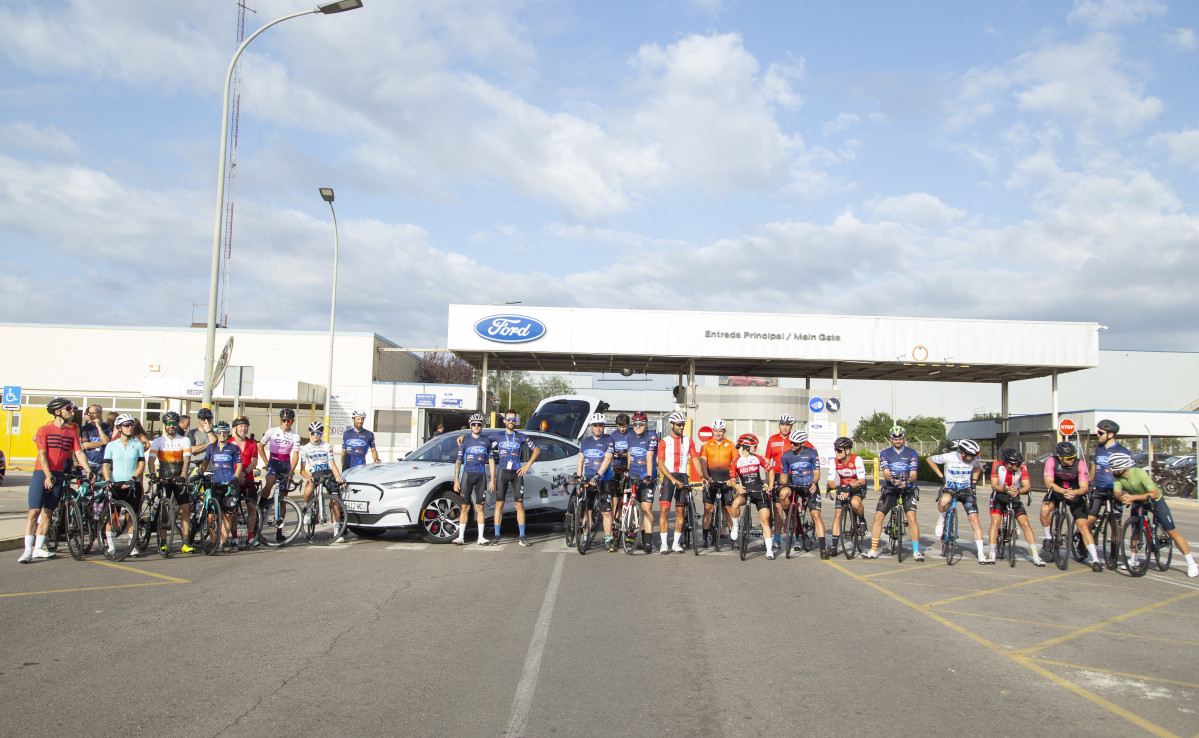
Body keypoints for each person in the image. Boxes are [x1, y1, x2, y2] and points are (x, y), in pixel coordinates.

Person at [19, 398, 91, 563]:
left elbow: (79, 453)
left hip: (58, 475)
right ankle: (27, 551)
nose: (71, 412)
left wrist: (88, 470)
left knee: (48, 512)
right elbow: (42, 454)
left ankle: (38, 548)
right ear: (57, 411)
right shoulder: (44, 429)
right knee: (34, 512)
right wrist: (47, 475)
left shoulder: (71, 432)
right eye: (68, 409)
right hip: (41, 474)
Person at [1109, 452, 1198, 577]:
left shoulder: (1139, 473)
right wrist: (1122, 497)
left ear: (1122, 467)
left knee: (1172, 532)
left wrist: (1133, 497)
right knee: (1136, 530)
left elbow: (1154, 493)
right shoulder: (1118, 477)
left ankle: (1191, 563)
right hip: (1138, 500)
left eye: (1114, 469)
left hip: (1154, 500)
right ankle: (1133, 558)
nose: (1112, 471)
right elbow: (1117, 492)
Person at [1040, 441, 1102, 572]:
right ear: (1060, 456)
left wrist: (1075, 492)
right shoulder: (1051, 461)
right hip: (1057, 491)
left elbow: (1084, 487)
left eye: (1073, 457)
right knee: (1045, 509)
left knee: (1083, 526)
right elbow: (1048, 483)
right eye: (1069, 458)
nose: (1072, 460)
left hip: (1075, 492)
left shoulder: (1080, 464)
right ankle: (1048, 538)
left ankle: (1095, 559)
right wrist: (1063, 492)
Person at [865, 425, 923, 560]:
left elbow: (914, 474)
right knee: (878, 516)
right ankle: (873, 550)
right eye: (895, 438)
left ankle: (916, 551)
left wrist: (907, 481)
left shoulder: (912, 453)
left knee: (912, 518)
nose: (898, 441)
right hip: (891, 488)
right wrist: (892, 479)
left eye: (900, 438)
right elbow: (885, 473)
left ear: (904, 438)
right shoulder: (885, 453)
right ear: (891, 439)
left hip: (907, 488)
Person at [930, 439, 987, 564]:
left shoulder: (973, 460)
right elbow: (930, 460)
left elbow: (977, 468)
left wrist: (973, 483)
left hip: (966, 489)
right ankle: (941, 518)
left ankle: (981, 553)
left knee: (974, 520)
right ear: (963, 453)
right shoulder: (949, 457)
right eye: (971, 457)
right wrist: (941, 477)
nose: (973, 459)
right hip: (951, 488)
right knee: (944, 502)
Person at [146, 410, 195, 553]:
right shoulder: (158, 441)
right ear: (165, 425)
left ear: (177, 424)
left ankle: (185, 543)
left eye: (174, 424)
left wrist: (183, 474)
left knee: (185, 509)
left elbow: (186, 459)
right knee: (164, 511)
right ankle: (163, 542)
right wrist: (152, 474)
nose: (171, 426)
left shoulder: (184, 440)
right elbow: (151, 460)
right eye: (169, 424)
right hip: (164, 478)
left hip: (179, 478)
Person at [987, 448, 1045, 566]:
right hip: (999, 495)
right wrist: (1004, 489)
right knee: (995, 521)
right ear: (1008, 464)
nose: (1020, 466)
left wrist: (1017, 491)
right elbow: (994, 485)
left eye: (1020, 463)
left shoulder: (1022, 467)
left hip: (1014, 495)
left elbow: (1027, 486)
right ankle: (992, 552)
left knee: (1025, 524)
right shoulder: (997, 465)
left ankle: (1035, 555)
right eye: (1017, 464)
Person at [491, 409, 540, 546]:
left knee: (519, 504)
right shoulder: (498, 436)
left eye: (513, 420)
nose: (511, 422)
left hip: (516, 473)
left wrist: (527, 466)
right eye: (508, 419)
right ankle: (496, 535)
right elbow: (481, 441)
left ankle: (522, 536)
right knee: (499, 504)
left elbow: (536, 450)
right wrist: (464, 438)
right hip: (502, 472)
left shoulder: (521, 436)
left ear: (516, 421)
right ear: (504, 421)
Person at [655, 410, 702, 554]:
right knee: (664, 510)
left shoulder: (689, 441)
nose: (681, 427)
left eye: (683, 425)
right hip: (669, 478)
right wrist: (673, 480)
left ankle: (675, 543)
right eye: (678, 425)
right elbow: (661, 464)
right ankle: (664, 544)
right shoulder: (664, 441)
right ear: (671, 425)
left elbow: (694, 459)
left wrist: (702, 476)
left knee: (681, 511)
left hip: (683, 477)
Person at [102, 413, 146, 556]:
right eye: (126, 425)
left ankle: (132, 546)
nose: (130, 428)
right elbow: (106, 465)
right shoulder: (111, 445)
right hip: (116, 483)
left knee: (131, 516)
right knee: (113, 516)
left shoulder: (137, 444)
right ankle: (111, 547)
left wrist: (133, 479)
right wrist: (108, 480)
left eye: (131, 425)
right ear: (119, 427)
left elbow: (141, 464)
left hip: (132, 483)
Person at [778, 429, 827, 558]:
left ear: (802, 443)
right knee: (782, 494)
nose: (792, 445)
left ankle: (823, 549)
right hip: (795, 486)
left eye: (795, 443)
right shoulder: (787, 456)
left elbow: (817, 472)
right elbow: (784, 474)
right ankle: (790, 517)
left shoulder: (812, 453)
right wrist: (782, 485)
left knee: (816, 515)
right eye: (791, 442)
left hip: (809, 486)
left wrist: (813, 483)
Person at [728, 434, 775, 558]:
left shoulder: (758, 458)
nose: (756, 447)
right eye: (755, 446)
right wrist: (737, 487)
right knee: (735, 504)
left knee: (765, 520)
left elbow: (770, 469)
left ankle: (769, 551)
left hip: (759, 492)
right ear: (747, 447)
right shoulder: (736, 461)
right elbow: (732, 480)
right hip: (745, 491)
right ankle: (736, 525)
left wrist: (770, 486)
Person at [1086, 419, 1131, 546]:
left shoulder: (1123, 452)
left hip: (1115, 490)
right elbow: (1095, 464)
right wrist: (1088, 481)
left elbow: (1129, 472)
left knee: (1116, 523)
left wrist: (1127, 490)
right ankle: (1083, 544)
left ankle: (1114, 553)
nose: (1098, 435)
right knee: (1090, 519)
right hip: (1098, 488)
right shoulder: (1099, 448)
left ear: (1110, 434)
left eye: (1101, 433)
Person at [259, 409, 302, 543]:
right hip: (273, 463)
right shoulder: (271, 431)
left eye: (288, 420)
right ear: (280, 420)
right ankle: (261, 506)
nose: (285, 423)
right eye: (283, 420)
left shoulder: (295, 436)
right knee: (270, 481)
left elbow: (295, 455)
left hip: (285, 465)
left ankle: (279, 531)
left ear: (292, 421)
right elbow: (260, 446)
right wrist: (266, 463)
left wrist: (291, 472)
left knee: (282, 499)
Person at [200, 421, 244, 552]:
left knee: (227, 515)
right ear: (216, 433)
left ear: (228, 433)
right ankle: (213, 541)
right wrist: (202, 474)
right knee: (211, 516)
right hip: (216, 484)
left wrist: (235, 478)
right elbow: (205, 461)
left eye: (225, 432)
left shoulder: (233, 448)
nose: (222, 434)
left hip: (230, 484)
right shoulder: (211, 447)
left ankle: (222, 543)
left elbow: (239, 464)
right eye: (219, 432)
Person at [299, 420, 345, 542]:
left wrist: (340, 479)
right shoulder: (305, 449)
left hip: (328, 474)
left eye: (318, 433)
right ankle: (308, 511)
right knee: (307, 492)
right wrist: (307, 477)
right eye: (313, 432)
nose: (316, 435)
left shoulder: (327, 446)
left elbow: (333, 465)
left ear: (321, 433)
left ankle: (336, 532)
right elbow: (302, 471)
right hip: (315, 475)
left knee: (335, 501)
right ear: (310, 433)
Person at [576, 413, 616, 551]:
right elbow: (580, 461)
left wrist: (598, 475)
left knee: (606, 511)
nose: (598, 428)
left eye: (601, 425)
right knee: (587, 511)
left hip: (603, 480)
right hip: (587, 479)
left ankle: (608, 539)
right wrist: (579, 479)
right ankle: (586, 539)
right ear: (591, 426)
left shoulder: (609, 440)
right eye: (595, 425)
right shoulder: (585, 441)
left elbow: (608, 459)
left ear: (604, 426)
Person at [453, 414, 495, 545]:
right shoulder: (464, 441)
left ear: (482, 426)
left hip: (481, 475)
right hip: (467, 476)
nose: (476, 426)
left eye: (479, 424)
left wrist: (492, 480)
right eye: (474, 424)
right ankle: (460, 537)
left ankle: (481, 537)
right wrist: (456, 480)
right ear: (470, 426)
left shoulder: (487, 441)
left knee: (480, 507)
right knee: (465, 507)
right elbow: (458, 461)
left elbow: (492, 461)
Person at [625, 411, 659, 554]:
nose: (638, 426)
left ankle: (648, 542)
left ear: (646, 424)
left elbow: (650, 456)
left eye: (641, 424)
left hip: (646, 477)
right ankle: (639, 537)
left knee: (646, 509)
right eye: (635, 424)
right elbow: (629, 453)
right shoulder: (630, 436)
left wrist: (649, 475)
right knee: (635, 510)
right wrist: (627, 470)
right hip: (633, 476)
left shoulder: (652, 436)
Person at [826, 436, 866, 558]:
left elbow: (862, 480)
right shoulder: (834, 461)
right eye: (835, 450)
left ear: (847, 450)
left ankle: (861, 518)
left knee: (855, 503)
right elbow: (830, 481)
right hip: (843, 489)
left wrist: (849, 486)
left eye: (839, 450)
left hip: (856, 487)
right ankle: (834, 545)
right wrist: (837, 488)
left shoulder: (857, 460)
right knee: (838, 514)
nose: (836, 452)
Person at [698, 419, 736, 548]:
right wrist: (706, 476)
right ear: (712, 431)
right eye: (715, 431)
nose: (718, 433)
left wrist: (733, 479)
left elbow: (735, 462)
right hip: (711, 480)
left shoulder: (730, 445)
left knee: (728, 510)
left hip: (726, 480)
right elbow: (703, 461)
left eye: (720, 431)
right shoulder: (707, 445)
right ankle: (704, 538)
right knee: (708, 509)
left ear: (724, 431)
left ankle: (733, 538)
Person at [231, 416, 261, 548]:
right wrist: (237, 475)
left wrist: (243, 473)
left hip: (248, 478)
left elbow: (254, 461)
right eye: (240, 426)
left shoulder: (252, 443)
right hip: (233, 478)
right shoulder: (229, 442)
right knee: (232, 509)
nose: (243, 428)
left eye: (245, 426)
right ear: (235, 428)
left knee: (252, 507)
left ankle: (250, 536)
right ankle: (234, 536)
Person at [79, 404, 112, 477]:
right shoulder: (85, 428)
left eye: (94, 413)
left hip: (102, 462)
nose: (91, 415)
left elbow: (107, 442)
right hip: (89, 462)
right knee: (86, 485)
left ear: (100, 413)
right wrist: (102, 442)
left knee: (100, 486)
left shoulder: (108, 427)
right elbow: (86, 445)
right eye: (89, 413)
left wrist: (99, 427)